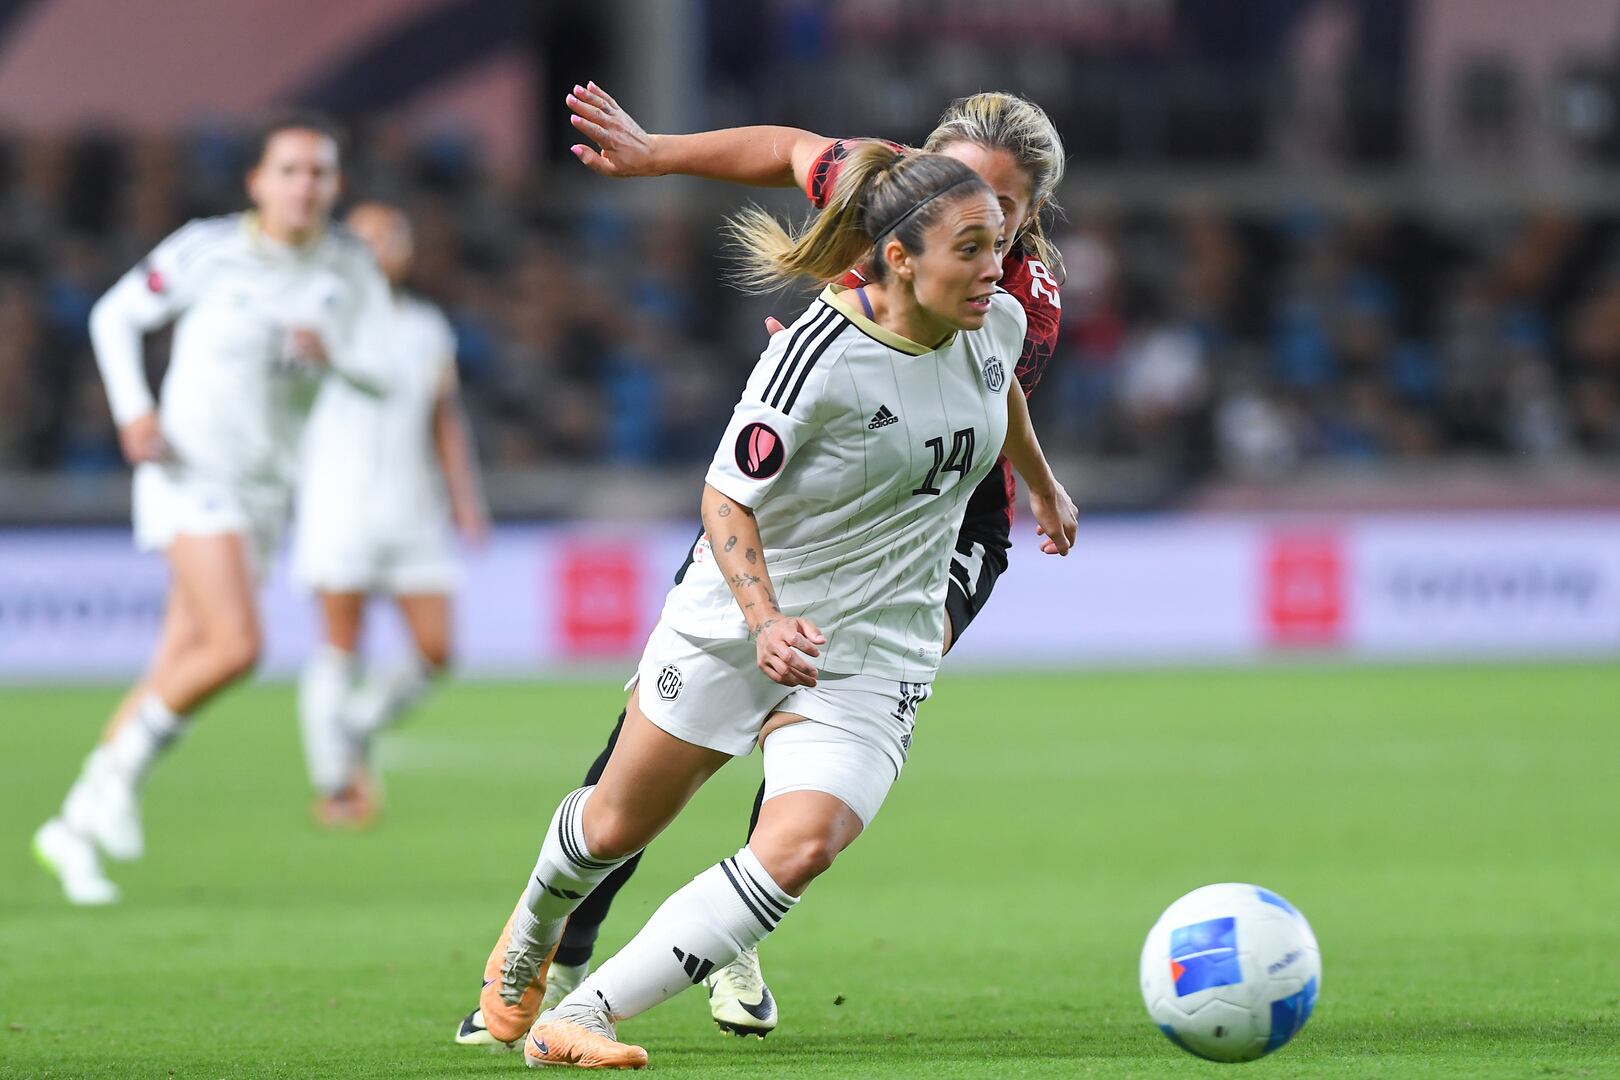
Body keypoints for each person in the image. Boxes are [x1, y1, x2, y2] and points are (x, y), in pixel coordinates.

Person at [456, 86, 1076, 1043]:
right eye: (957, 196)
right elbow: (788, 148)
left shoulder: (1012, 304)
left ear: (1026, 218)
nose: (981, 230)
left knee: (807, 819)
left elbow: (990, 394)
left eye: (999, 216)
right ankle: (550, 929)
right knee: (622, 814)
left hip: (931, 537)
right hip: (785, 536)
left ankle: (684, 951)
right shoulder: (863, 235)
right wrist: (656, 155)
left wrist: (1040, 485)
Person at [32, 113, 389, 905]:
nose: (304, 186)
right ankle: (111, 781)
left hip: (266, 489)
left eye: (319, 173)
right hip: (188, 471)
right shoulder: (208, 248)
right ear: (257, 182)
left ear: (336, 186)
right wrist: (133, 409)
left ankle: (75, 826)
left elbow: (385, 375)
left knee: (178, 662)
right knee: (236, 646)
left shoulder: (349, 267)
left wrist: (336, 358)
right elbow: (114, 315)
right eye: (289, 170)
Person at [293, 201, 488, 827]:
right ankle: (335, 784)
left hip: (413, 506)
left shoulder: (428, 326)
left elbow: (443, 418)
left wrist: (465, 498)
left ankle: (354, 725)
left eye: (390, 238)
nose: (379, 250)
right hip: (339, 503)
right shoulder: (322, 316)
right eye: (365, 239)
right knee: (340, 644)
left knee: (436, 649)